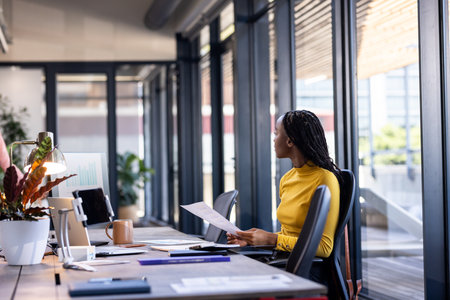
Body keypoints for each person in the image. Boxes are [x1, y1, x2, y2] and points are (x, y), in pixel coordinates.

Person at [227, 110, 341, 258]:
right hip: (282, 259)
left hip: (305, 270)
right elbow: (288, 235)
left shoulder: (325, 179)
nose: (273, 139)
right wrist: (252, 240)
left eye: (276, 133)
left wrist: (271, 239)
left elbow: (324, 247)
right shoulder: (287, 179)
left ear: (290, 141)